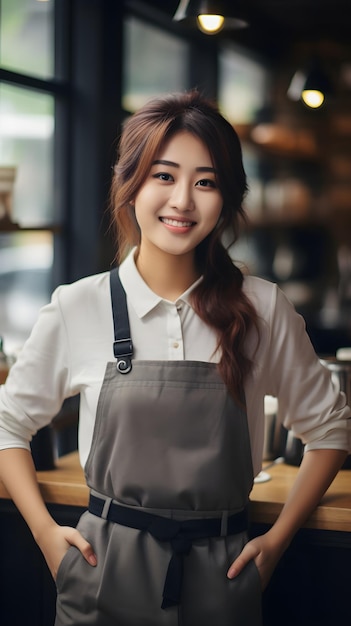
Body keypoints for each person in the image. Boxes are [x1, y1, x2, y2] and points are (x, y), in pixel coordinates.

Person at [0, 90, 350, 626]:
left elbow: (330, 430)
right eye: (163, 176)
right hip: (101, 577)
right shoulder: (79, 305)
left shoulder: (263, 307)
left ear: (227, 199)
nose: (183, 200)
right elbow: (7, 425)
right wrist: (47, 536)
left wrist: (277, 543)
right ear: (131, 184)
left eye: (205, 182)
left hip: (225, 580)